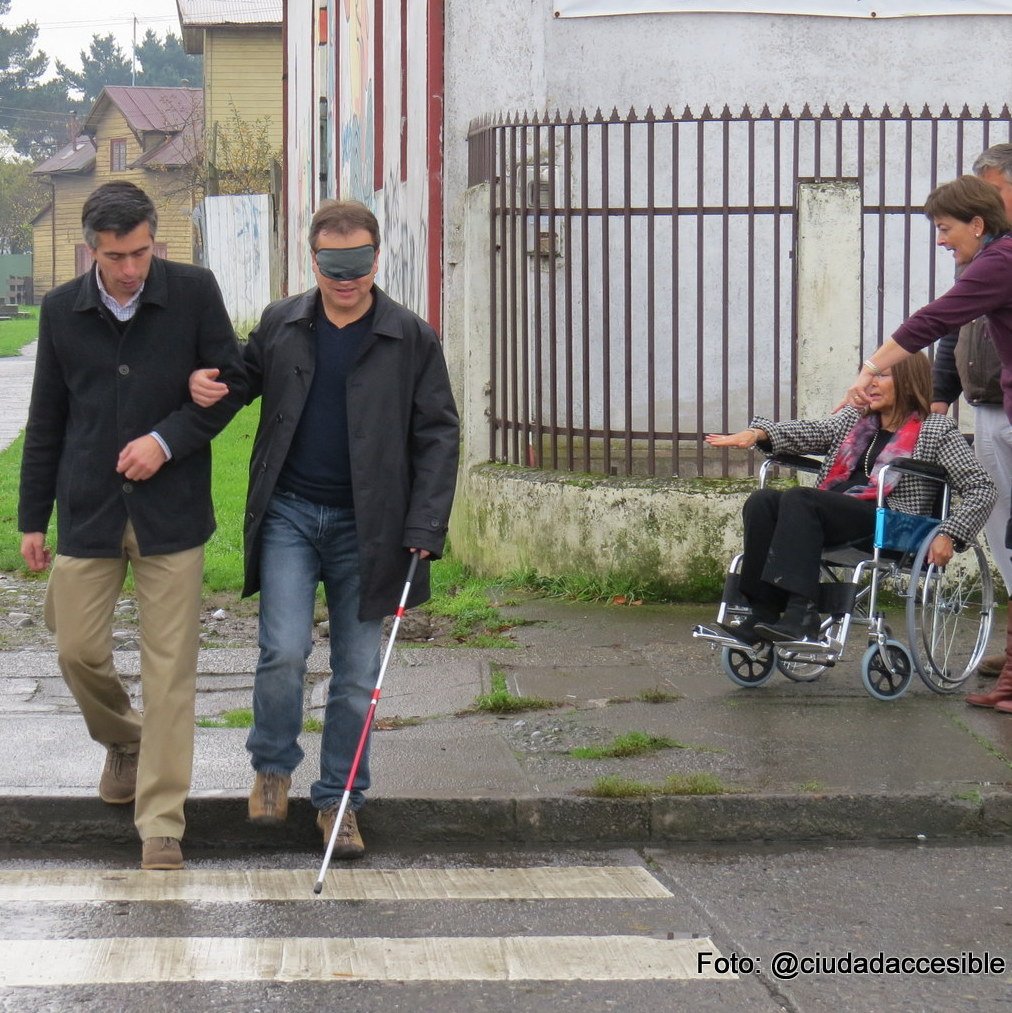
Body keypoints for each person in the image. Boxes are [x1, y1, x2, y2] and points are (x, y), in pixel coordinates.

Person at [190, 199, 459, 859]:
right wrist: (206, 382)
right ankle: (273, 765)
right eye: (335, 265)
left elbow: (438, 435)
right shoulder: (284, 322)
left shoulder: (410, 337)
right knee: (282, 649)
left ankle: (340, 797)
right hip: (289, 511)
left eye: (360, 262)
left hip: (372, 527)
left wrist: (425, 523)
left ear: (375, 258)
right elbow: (243, 377)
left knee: (358, 671)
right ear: (315, 260)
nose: (348, 278)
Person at [18, 181, 245, 871]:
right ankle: (124, 739)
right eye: (116, 256)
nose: (129, 269)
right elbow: (47, 418)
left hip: (170, 512)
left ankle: (162, 821)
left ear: (155, 239)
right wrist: (33, 518)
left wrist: (168, 437)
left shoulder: (195, 290)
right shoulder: (61, 310)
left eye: (140, 252)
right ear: (92, 249)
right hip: (87, 506)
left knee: (170, 670)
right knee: (76, 649)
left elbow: (231, 380)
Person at [844, 174, 1012, 713]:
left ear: (977, 224)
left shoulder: (1000, 261)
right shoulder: (993, 261)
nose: (941, 240)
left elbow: (935, 318)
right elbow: (949, 329)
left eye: (944, 228)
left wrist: (871, 366)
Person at [708, 352, 995, 645]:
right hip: (828, 514)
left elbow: (981, 487)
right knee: (763, 502)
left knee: (801, 499)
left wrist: (950, 532)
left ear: (908, 382)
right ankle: (764, 612)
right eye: (868, 376)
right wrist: (759, 433)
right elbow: (814, 431)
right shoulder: (854, 418)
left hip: (889, 521)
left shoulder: (936, 429)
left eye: (880, 376)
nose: (869, 384)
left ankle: (801, 613)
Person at [931, 145, 1012, 678]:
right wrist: (940, 398)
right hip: (985, 403)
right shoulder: (979, 259)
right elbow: (949, 326)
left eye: (993, 188)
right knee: (1002, 522)